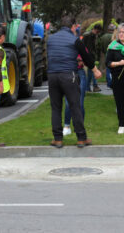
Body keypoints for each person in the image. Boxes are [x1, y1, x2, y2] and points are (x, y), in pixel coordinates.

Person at [47, 15, 101, 148]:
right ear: (73, 26)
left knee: (56, 107)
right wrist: (95, 70)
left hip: (52, 75)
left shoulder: (51, 39)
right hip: (69, 75)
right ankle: (81, 138)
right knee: (74, 106)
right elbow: (86, 57)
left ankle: (58, 139)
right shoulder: (75, 40)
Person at [83, 24, 103, 92]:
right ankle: (94, 86)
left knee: (91, 72)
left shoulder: (93, 35)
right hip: (88, 56)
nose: (98, 33)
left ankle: (88, 87)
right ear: (95, 29)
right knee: (92, 71)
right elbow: (85, 46)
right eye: (98, 31)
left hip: (90, 56)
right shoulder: (88, 35)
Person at [97, 23, 116, 88]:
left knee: (108, 69)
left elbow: (100, 46)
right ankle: (113, 82)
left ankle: (109, 83)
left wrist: (104, 51)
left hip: (106, 53)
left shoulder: (103, 36)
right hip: (115, 54)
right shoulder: (116, 36)